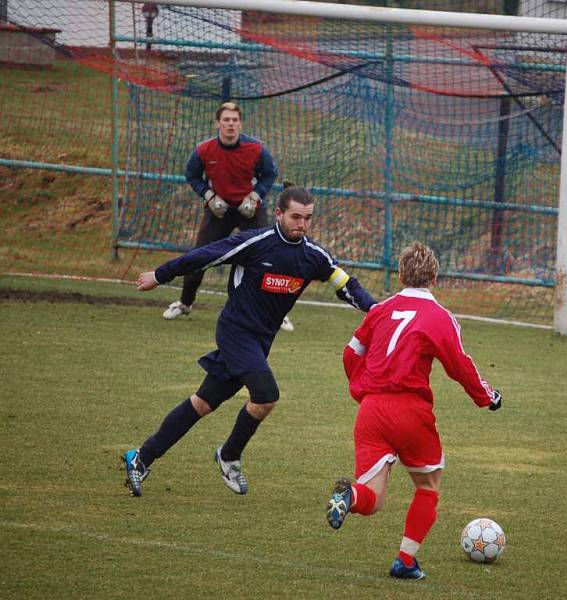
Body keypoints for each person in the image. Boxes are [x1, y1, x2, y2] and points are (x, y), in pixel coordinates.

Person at [122, 184, 376, 497]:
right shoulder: (255, 242)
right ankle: (229, 455)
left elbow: (346, 284)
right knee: (266, 395)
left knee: (202, 403)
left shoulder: (314, 257)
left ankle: (141, 457)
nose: (302, 224)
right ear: (280, 214)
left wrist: (377, 310)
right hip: (235, 332)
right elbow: (205, 255)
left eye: (308, 218)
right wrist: (160, 275)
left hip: (260, 342)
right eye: (296, 216)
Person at [325, 242, 502, 580]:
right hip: (410, 410)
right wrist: (488, 396)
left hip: (372, 410)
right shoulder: (439, 317)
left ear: (401, 274)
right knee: (428, 486)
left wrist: (362, 389)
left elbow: (351, 352)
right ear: (434, 276)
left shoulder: (379, 310)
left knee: (372, 499)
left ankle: (350, 495)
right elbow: (460, 365)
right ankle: (405, 561)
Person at [163, 100, 294, 332]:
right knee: (198, 257)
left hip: (249, 210)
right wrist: (209, 195)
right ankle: (184, 303)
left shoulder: (256, 149)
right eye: (226, 120)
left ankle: (278, 313)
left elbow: (270, 173)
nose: (230, 125)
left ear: (240, 124)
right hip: (219, 210)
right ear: (218, 123)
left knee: (269, 257)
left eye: (235, 120)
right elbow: (192, 175)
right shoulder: (204, 150)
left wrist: (255, 196)